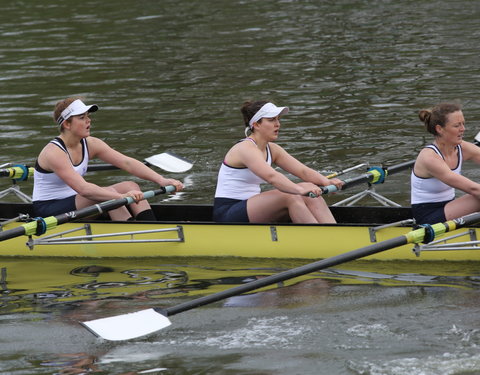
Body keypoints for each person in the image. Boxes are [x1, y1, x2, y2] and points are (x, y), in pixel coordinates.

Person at [32, 97, 183, 220]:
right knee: (107, 195)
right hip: (49, 209)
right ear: (67, 124)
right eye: (82, 117)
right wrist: (120, 197)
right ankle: (131, 236)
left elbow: (127, 163)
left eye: (88, 117)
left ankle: (150, 226)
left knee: (130, 186)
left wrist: (161, 180)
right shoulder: (54, 152)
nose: (88, 121)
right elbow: (84, 189)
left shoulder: (91, 143)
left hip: (77, 201)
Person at [213, 100, 343, 224]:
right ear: (256, 125)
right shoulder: (245, 148)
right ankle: (318, 239)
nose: (277, 124)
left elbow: (303, 171)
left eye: (278, 119)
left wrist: (326, 182)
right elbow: (271, 177)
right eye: (271, 120)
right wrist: (298, 189)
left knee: (310, 191)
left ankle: (334, 234)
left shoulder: (272, 149)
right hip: (228, 212)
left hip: (252, 207)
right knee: (290, 195)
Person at [411, 102, 480, 225]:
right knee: (477, 198)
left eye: (463, 123)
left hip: (449, 206)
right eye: (457, 125)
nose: (463, 129)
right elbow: (473, 188)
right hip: (428, 217)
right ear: (439, 129)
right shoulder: (429, 157)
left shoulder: (461, 147)